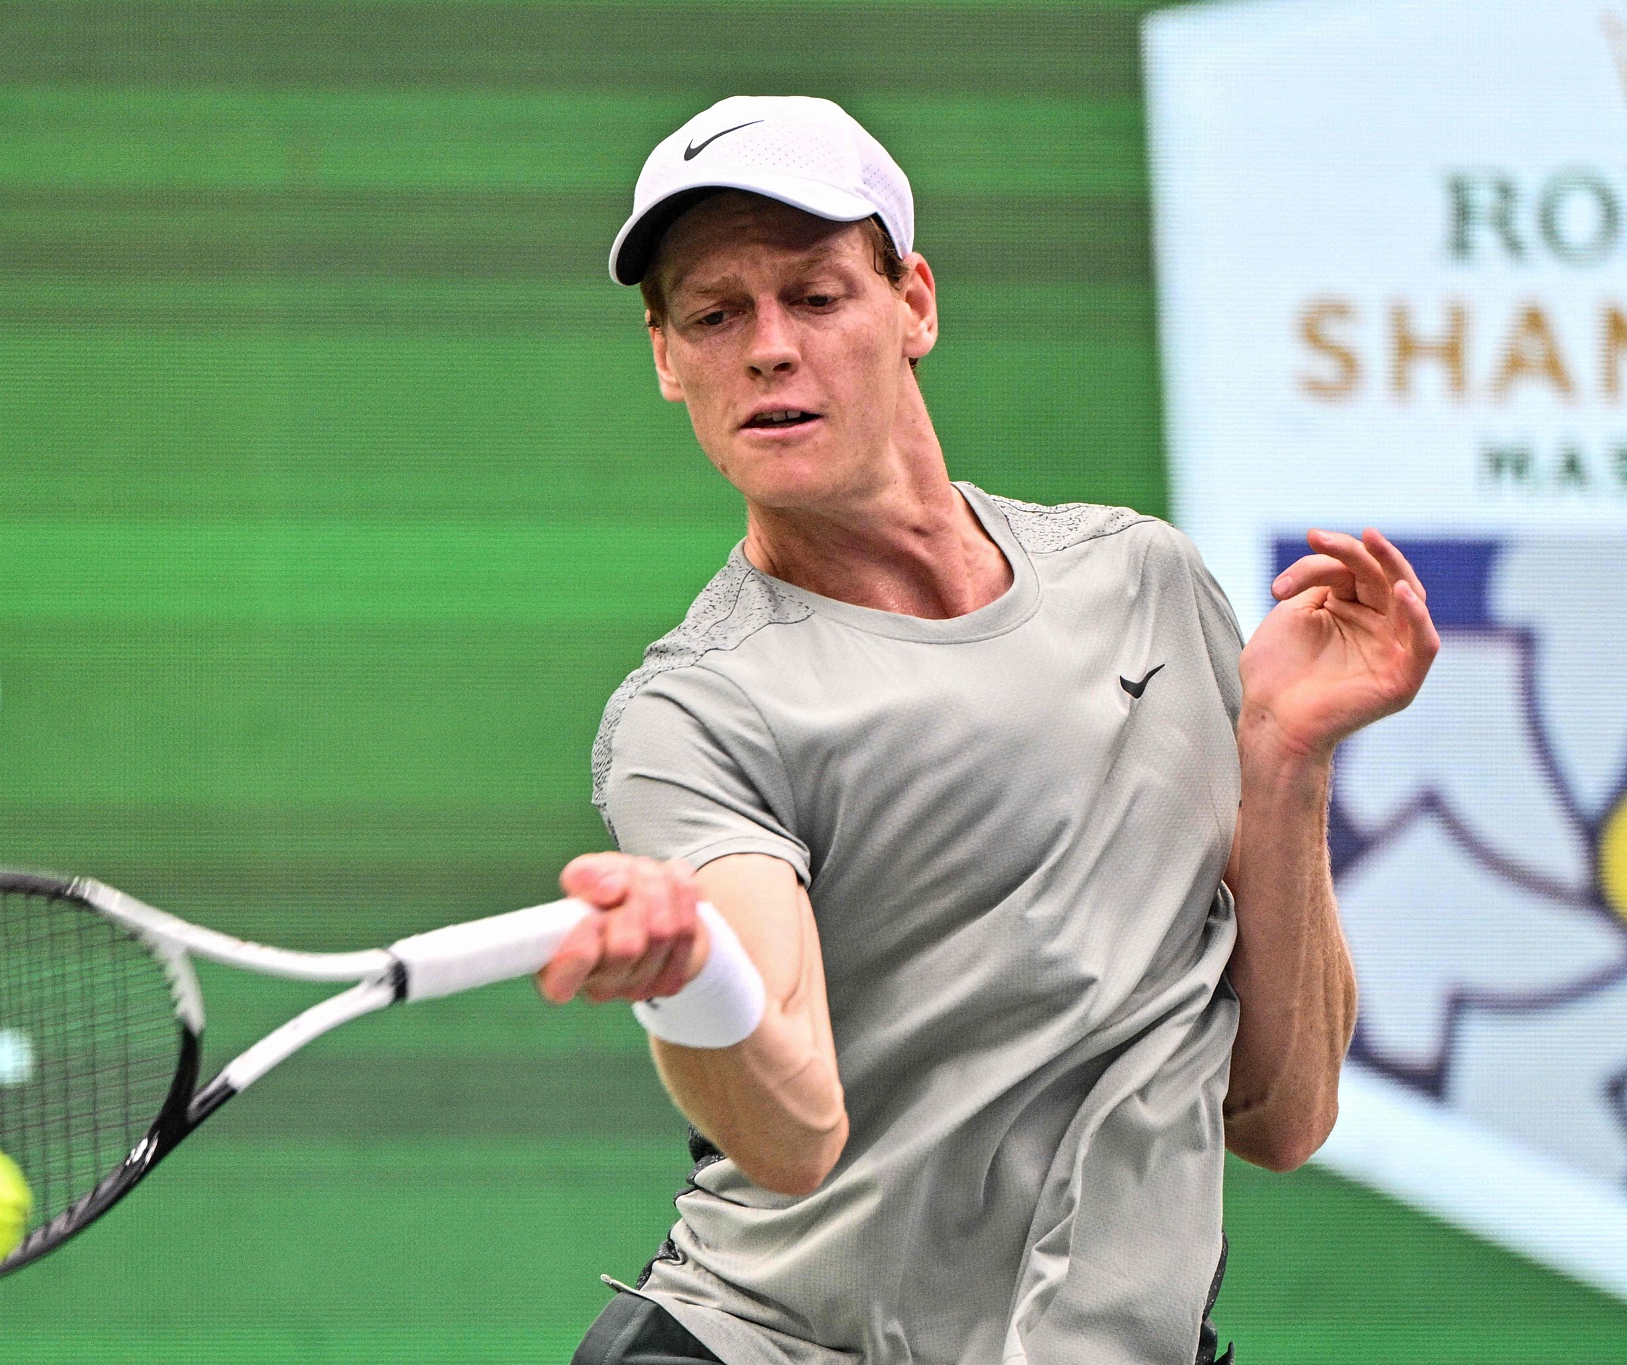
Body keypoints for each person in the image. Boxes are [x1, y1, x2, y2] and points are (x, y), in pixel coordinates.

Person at [535, 96, 1439, 1365]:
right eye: (714, 313)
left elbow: (1281, 1114)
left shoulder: (1142, 583)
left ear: (913, 304)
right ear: (666, 357)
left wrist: (1283, 757)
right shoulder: (694, 717)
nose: (767, 349)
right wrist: (699, 987)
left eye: (815, 294)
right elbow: (789, 1132)